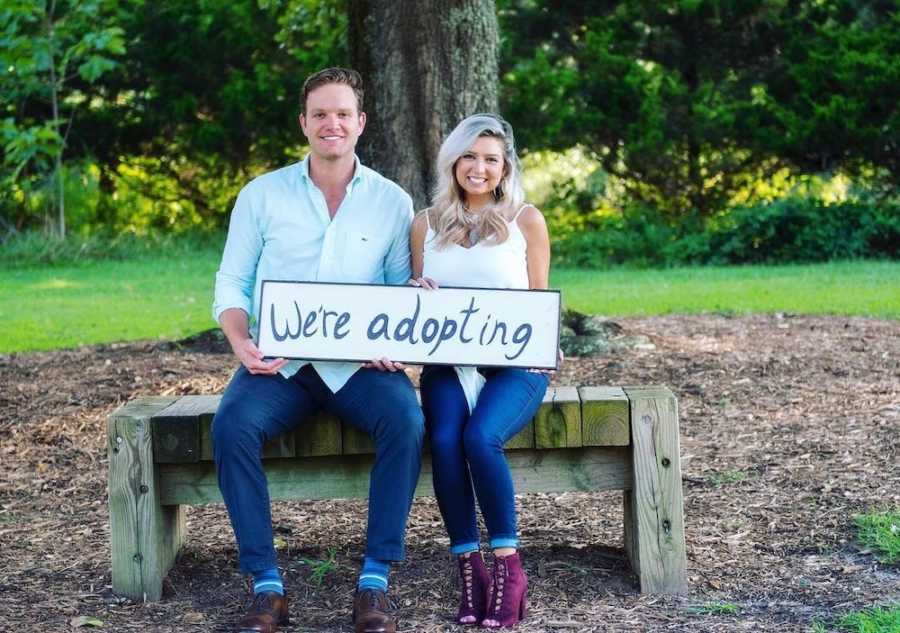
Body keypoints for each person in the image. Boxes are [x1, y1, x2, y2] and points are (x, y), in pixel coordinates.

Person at [212, 67, 423, 633]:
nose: (332, 124)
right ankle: (266, 586)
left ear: (361, 123)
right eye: (321, 114)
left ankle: (375, 580)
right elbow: (231, 283)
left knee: (406, 418)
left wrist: (394, 341)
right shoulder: (262, 195)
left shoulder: (391, 200)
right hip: (281, 365)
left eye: (343, 114)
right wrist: (241, 343)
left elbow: (399, 287)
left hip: (358, 366)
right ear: (304, 123)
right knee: (232, 425)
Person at [409, 113, 553, 628]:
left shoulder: (525, 220)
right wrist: (416, 294)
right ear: (453, 161)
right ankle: (470, 568)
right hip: (448, 362)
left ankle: (509, 566)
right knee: (445, 440)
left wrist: (543, 347)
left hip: (514, 364)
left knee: (480, 438)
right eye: (469, 156)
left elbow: (539, 299)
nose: (479, 167)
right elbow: (416, 306)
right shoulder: (425, 224)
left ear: (504, 166)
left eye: (491, 159)